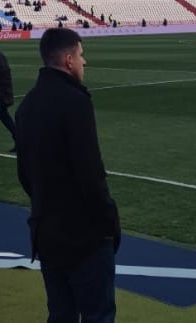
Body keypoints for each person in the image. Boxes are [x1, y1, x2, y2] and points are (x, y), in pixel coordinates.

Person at [16, 29, 120, 323]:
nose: (84, 62)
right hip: (83, 235)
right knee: (98, 315)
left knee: (61, 314)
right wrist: (109, 221)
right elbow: (91, 173)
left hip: (46, 232)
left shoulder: (27, 105)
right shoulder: (75, 102)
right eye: (81, 55)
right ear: (69, 59)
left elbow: (25, 175)